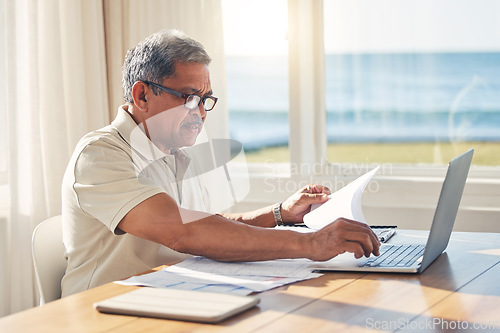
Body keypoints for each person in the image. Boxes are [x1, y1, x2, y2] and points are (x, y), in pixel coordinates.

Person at [61, 29, 379, 297]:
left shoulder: (173, 149)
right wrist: (312, 242)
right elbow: (183, 233)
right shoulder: (100, 155)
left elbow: (209, 224)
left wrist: (280, 213)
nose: (200, 113)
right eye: (189, 98)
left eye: (206, 100)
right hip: (109, 311)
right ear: (142, 95)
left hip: (174, 296)